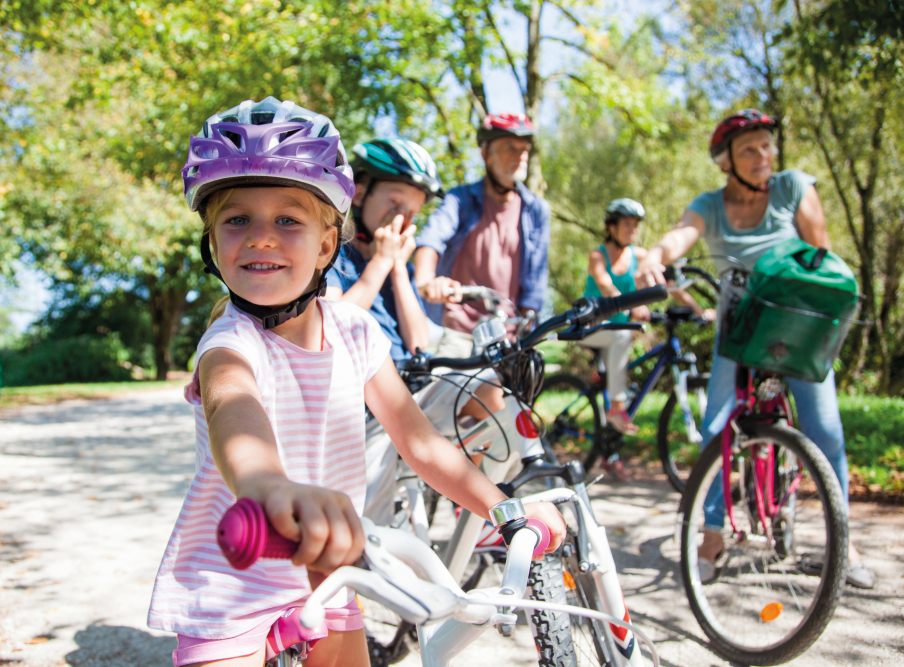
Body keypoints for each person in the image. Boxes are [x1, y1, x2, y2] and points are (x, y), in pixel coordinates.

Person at [147, 97, 567, 667]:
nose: (261, 236)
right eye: (237, 218)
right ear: (213, 242)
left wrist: (502, 507)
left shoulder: (354, 331)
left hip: (331, 569)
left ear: (326, 244)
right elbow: (233, 410)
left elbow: (419, 444)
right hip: (232, 584)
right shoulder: (230, 344)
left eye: (287, 219)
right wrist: (270, 489)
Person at [635, 108, 874, 589]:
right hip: (739, 330)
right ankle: (711, 537)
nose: (763, 155)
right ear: (726, 161)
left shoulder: (792, 187)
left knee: (825, 430)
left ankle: (842, 548)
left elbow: (819, 257)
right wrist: (656, 255)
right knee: (718, 428)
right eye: (749, 148)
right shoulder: (711, 204)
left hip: (796, 324)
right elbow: (684, 233)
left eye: (767, 145)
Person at [413, 112, 550, 418]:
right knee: (443, 414)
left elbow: (536, 280)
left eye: (524, 149)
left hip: (507, 335)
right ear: (486, 152)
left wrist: (530, 328)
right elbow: (431, 240)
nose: (521, 155)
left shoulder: (535, 210)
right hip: (461, 327)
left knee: (507, 423)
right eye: (510, 148)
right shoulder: (462, 200)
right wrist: (426, 279)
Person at [324, 139, 443, 362]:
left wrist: (397, 269)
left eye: (411, 213)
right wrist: (381, 261)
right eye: (395, 204)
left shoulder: (401, 266)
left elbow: (418, 342)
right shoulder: (333, 256)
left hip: (411, 381)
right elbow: (332, 327)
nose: (402, 219)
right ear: (359, 195)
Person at [581, 198, 651, 439]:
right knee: (621, 335)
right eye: (627, 224)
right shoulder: (597, 256)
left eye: (635, 225)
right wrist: (631, 304)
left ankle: (610, 440)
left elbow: (662, 278)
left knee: (623, 337)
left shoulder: (638, 256)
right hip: (589, 327)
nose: (632, 230)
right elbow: (605, 284)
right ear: (611, 227)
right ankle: (617, 408)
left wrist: (696, 308)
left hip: (617, 329)